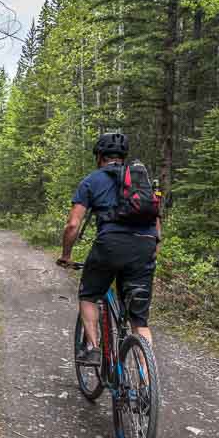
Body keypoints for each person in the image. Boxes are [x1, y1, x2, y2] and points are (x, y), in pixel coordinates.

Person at [56, 133, 161, 364]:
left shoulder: (92, 181)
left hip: (111, 245)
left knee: (89, 295)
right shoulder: (141, 181)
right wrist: (152, 251)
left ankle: (93, 348)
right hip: (145, 245)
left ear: (100, 157)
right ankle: (146, 380)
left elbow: (73, 224)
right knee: (139, 321)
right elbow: (156, 222)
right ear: (122, 158)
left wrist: (66, 255)